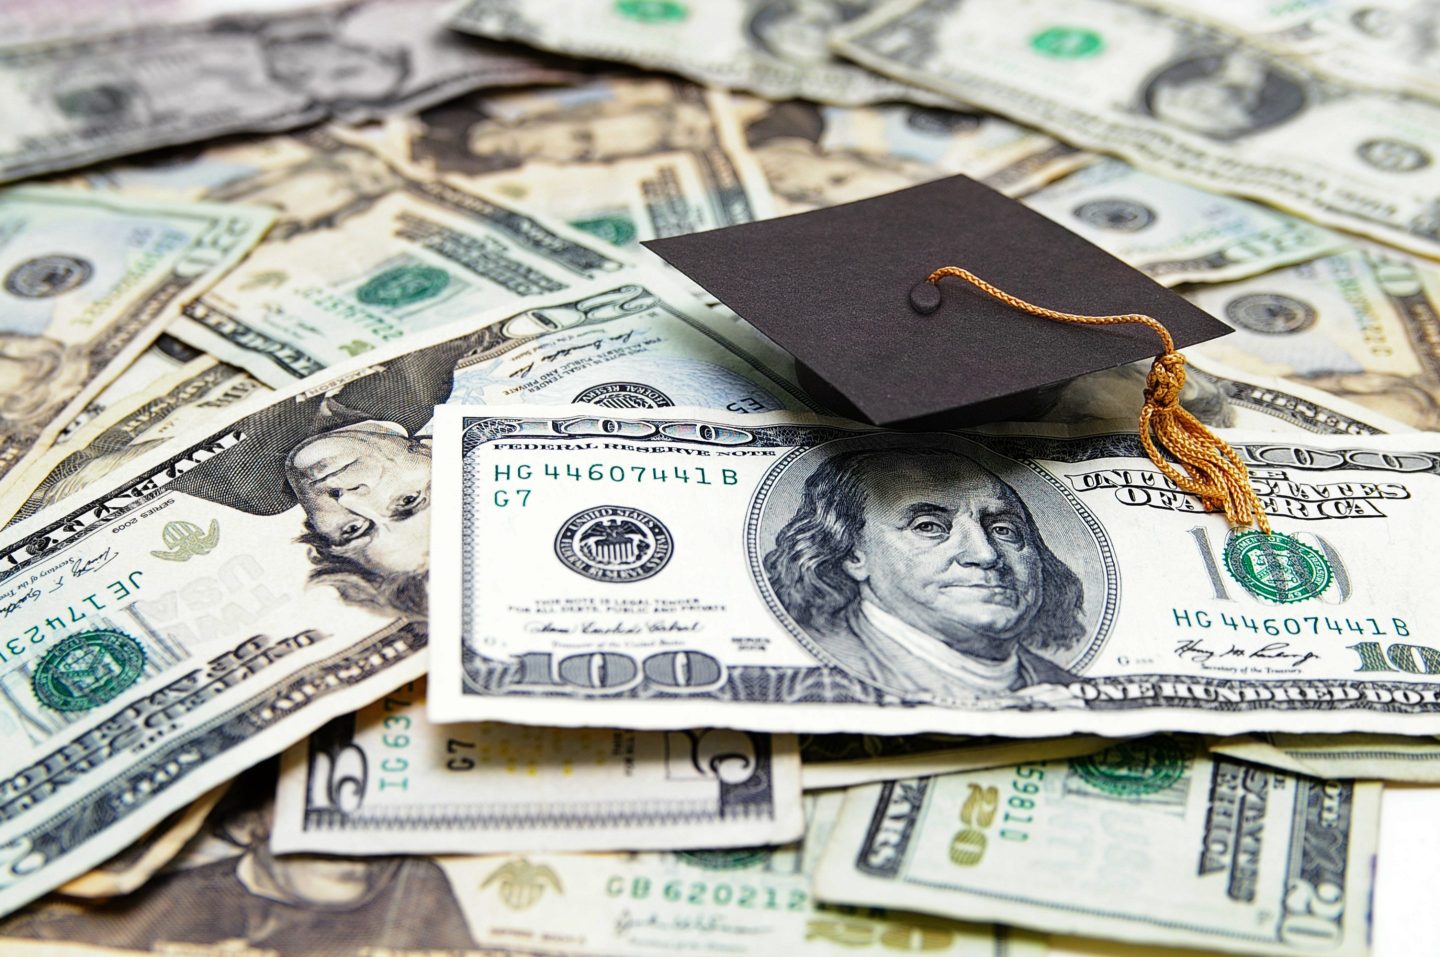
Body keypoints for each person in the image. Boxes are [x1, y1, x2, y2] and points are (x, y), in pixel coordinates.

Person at [764, 447, 1083, 700]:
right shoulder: (826, 669)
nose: (985, 555)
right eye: (928, 527)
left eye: (1003, 529)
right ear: (852, 553)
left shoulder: (1065, 686)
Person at [1142, 52, 1306, 140]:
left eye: (1176, 99)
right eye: (1206, 110)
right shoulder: (1285, 89)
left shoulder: (1205, 59)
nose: (1190, 96)